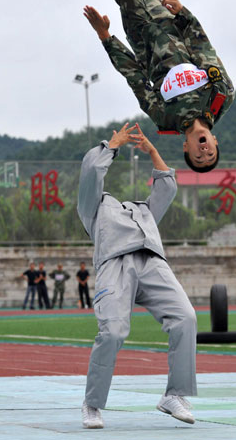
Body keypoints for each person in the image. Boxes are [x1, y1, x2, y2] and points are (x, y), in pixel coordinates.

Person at [77, 122, 197, 429]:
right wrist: (111, 146)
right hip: (115, 265)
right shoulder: (96, 209)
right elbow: (91, 174)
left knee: (186, 317)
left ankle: (174, 395)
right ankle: (92, 404)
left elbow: (166, 187)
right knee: (113, 332)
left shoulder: (145, 212)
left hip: (152, 262)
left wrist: (153, 151)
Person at [83, 0, 235, 173]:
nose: (204, 153)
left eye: (198, 157)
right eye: (210, 154)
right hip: (169, 23)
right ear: (215, 141)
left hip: (142, 39)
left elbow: (136, 78)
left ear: (186, 147)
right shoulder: (221, 96)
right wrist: (184, 14)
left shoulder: (165, 119)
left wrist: (105, 36)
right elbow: (204, 49)